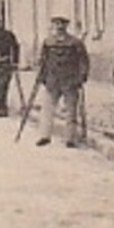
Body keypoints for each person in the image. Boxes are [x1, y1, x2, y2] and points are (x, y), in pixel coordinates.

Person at [35, 15, 89, 147]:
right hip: (52, 80)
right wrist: (41, 76)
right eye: (57, 24)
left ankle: (70, 138)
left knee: (71, 110)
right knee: (47, 109)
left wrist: (82, 76)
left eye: (62, 24)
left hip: (70, 80)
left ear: (66, 26)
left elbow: (84, 61)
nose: (59, 27)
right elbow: (43, 60)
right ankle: (45, 136)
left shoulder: (75, 42)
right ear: (53, 26)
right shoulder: (48, 42)